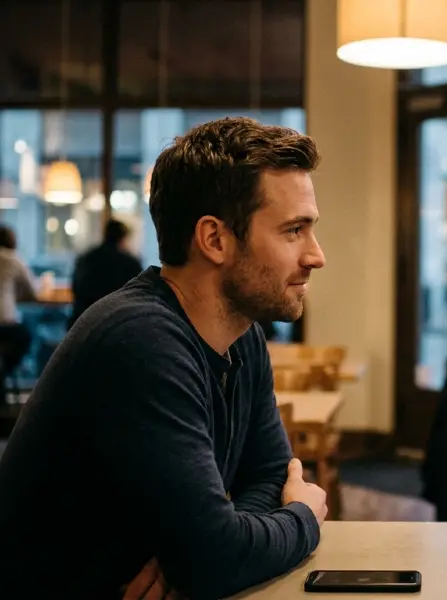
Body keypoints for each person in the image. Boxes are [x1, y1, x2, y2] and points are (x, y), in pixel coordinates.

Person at [0, 117, 328, 600]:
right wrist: (302, 517)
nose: (315, 255)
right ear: (214, 239)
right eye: (293, 231)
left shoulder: (243, 335)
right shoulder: (141, 340)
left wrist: (208, 549)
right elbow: (217, 556)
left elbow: (270, 476)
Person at [68, 218, 143, 329]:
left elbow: (75, 288)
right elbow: (138, 297)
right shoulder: (130, 263)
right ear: (123, 238)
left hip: (81, 323)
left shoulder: (86, 258)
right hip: (117, 326)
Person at [0, 224, 36, 401]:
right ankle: (4, 370)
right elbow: (33, 292)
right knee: (27, 335)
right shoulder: (12, 259)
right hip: (5, 324)